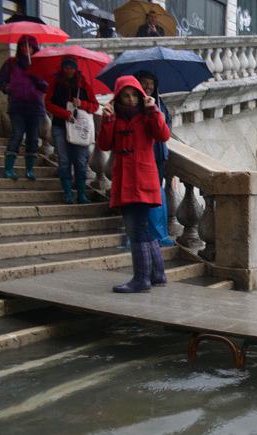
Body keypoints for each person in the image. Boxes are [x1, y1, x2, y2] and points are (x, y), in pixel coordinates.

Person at [97, 75, 170, 293]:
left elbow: (163, 135)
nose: (130, 100)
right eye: (125, 96)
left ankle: (141, 279)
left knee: (135, 229)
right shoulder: (115, 119)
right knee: (143, 227)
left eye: (134, 95)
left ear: (140, 96)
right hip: (125, 181)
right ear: (118, 99)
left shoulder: (148, 116)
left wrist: (154, 111)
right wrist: (107, 121)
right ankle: (157, 274)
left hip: (143, 179)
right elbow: (103, 144)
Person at [45, 57, 99, 204]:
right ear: (62, 68)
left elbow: (94, 106)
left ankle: (81, 194)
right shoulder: (55, 83)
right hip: (60, 127)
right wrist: (65, 114)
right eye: (66, 67)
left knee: (81, 161)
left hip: (79, 128)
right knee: (64, 160)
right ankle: (67, 192)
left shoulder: (84, 85)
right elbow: (48, 103)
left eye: (71, 67)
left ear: (76, 69)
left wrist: (82, 103)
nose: (69, 70)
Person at [0, 35, 48, 181]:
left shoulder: (39, 64)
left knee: (33, 139)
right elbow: (1, 81)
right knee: (17, 135)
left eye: (29, 47)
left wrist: (36, 78)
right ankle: (8, 169)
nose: (26, 49)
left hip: (35, 107)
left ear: (34, 49)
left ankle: (29, 170)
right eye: (23, 46)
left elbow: (46, 86)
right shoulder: (11, 63)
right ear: (19, 48)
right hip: (17, 106)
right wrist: (8, 88)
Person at [134, 70, 175, 247]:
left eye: (151, 84)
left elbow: (166, 129)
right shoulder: (134, 105)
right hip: (144, 156)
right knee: (146, 196)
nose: (148, 87)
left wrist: (160, 116)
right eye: (144, 83)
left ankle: (158, 232)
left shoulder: (159, 103)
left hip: (159, 154)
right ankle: (148, 233)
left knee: (157, 193)